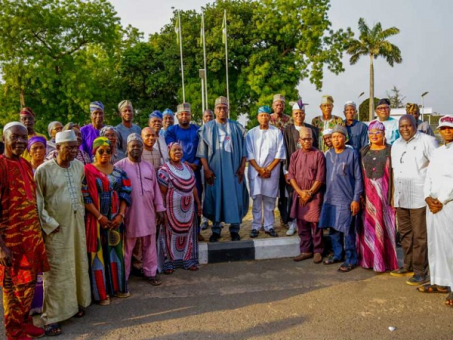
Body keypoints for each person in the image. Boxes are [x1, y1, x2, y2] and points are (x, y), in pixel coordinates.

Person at [35, 130, 91, 336]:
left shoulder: (79, 167)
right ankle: (51, 317)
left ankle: (75, 305)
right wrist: (49, 224)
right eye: (69, 147)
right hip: (56, 229)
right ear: (57, 148)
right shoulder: (43, 171)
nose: (74, 151)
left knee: (76, 264)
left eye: (76, 147)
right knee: (57, 272)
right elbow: (37, 202)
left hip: (76, 225)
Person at [0, 122, 49, 340]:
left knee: (29, 284)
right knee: (12, 289)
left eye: (23, 138)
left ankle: (25, 321)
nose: (20, 141)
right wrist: (1, 248)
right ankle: (14, 331)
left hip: (31, 239)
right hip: (11, 241)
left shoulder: (26, 164)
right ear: (4, 139)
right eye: (15, 137)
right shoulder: (0, 166)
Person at [82, 137, 132, 305]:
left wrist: (121, 215)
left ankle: (118, 288)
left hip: (116, 220)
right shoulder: (87, 171)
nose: (104, 154)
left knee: (116, 253)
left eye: (108, 151)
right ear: (94, 152)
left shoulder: (118, 171)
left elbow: (126, 192)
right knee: (98, 255)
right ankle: (102, 293)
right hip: (96, 221)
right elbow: (85, 196)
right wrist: (99, 217)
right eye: (100, 151)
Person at [390, 114, 437, 285]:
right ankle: (407, 265)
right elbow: (395, 172)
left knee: (420, 236)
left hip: (419, 197)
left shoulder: (427, 141)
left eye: (408, 125)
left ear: (415, 125)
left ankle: (420, 272)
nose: (405, 129)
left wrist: (433, 194)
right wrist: (393, 196)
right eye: (401, 126)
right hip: (402, 197)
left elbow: (436, 167)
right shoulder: (396, 145)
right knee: (405, 234)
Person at [197, 96, 249, 242]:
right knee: (215, 198)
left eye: (224, 108)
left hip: (233, 170)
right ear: (215, 110)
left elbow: (245, 149)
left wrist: (242, 166)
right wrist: (206, 170)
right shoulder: (207, 128)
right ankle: (216, 229)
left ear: (228, 110)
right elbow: (202, 152)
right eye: (219, 108)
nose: (222, 110)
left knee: (235, 197)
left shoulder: (236, 127)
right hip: (215, 171)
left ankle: (235, 229)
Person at [116, 134, 165, 285]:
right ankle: (123, 277)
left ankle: (150, 273)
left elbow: (156, 189)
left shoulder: (148, 166)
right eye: (133, 146)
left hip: (148, 212)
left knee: (149, 244)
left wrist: (160, 209)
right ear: (127, 148)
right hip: (130, 213)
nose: (136, 148)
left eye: (138, 146)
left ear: (142, 148)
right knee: (127, 247)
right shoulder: (119, 166)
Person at [319, 125, 363, 272]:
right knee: (333, 229)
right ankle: (338, 255)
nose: (336, 139)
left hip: (346, 199)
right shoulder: (328, 154)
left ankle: (351, 259)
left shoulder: (352, 154)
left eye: (339, 136)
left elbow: (358, 178)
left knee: (347, 230)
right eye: (333, 137)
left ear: (345, 138)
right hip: (330, 198)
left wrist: (356, 198)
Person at [357, 121, 398, 272]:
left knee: (385, 226)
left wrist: (394, 196)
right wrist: (360, 194)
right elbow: (359, 175)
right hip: (368, 197)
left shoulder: (391, 151)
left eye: (378, 132)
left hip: (385, 197)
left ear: (384, 134)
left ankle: (383, 262)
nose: (374, 136)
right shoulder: (363, 151)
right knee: (369, 227)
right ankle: (369, 261)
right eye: (371, 133)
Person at [421, 115, 453, 306]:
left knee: (451, 246)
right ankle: (440, 281)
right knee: (436, 244)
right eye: (443, 128)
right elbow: (429, 177)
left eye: (450, 128)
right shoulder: (438, 152)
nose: (447, 131)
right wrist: (427, 197)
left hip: (448, 204)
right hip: (433, 205)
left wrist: (441, 200)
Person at [158, 142, 201, 273]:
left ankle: (188, 260)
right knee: (169, 235)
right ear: (169, 153)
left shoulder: (188, 168)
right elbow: (162, 193)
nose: (178, 152)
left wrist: (198, 204)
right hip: (171, 211)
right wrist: (162, 210)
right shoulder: (164, 170)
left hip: (188, 211)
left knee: (187, 234)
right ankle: (169, 263)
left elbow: (193, 187)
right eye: (175, 150)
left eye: (180, 150)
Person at [287, 127, 326, 263]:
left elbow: (320, 178)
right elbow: (291, 176)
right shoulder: (295, 156)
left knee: (315, 225)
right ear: (299, 140)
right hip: (299, 195)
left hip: (314, 196)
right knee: (302, 224)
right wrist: (300, 192)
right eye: (305, 139)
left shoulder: (318, 155)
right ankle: (306, 250)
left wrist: (308, 193)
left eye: (310, 138)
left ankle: (318, 251)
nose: (308, 141)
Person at [246, 106, 286, 238]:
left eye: (266, 115)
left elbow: (280, 153)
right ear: (257, 118)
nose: (264, 118)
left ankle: (269, 226)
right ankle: (256, 226)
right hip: (255, 172)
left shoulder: (276, 132)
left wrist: (268, 169)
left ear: (270, 117)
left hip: (272, 172)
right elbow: (249, 153)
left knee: (270, 201)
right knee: (256, 200)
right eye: (261, 115)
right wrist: (259, 169)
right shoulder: (251, 133)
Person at [165, 103, 203, 238]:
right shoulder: (171, 131)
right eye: (181, 114)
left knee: (195, 198)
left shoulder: (197, 130)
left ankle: (196, 231)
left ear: (190, 115)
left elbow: (201, 149)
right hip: (177, 171)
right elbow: (172, 149)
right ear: (177, 116)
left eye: (186, 113)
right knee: (179, 199)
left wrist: (196, 163)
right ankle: (180, 231)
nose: (184, 116)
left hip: (195, 171)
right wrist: (185, 164)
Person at [282, 99, 318, 236]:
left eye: (301, 113)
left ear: (304, 114)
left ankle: (309, 221)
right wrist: (285, 171)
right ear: (293, 114)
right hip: (293, 170)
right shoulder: (287, 130)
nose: (299, 116)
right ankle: (292, 223)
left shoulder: (311, 129)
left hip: (309, 169)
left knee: (309, 195)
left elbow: (317, 149)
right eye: (296, 113)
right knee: (293, 195)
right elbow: (284, 150)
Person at [200, 109, 214, 230]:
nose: (208, 118)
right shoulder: (200, 131)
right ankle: (204, 220)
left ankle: (216, 220)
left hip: (216, 168)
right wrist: (205, 168)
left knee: (215, 193)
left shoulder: (217, 130)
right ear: (203, 118)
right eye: (206, 116)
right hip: (203, 167)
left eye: (210, 116)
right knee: (204, 193)